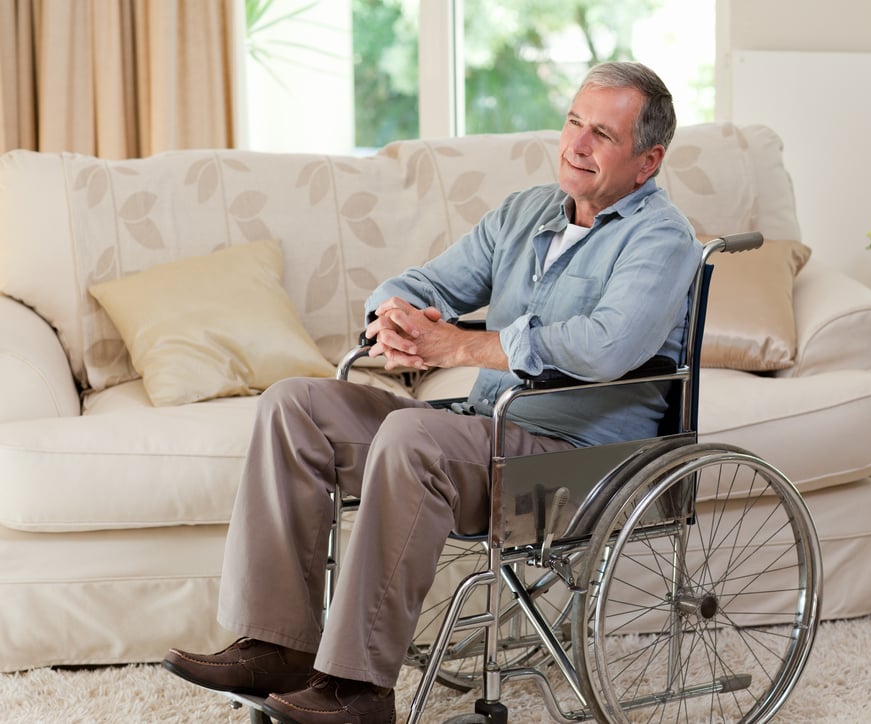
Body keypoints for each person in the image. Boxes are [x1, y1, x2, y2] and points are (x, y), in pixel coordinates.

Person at [162, 61, 701, 724]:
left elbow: (608, 346)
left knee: (414, 434)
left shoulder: (663, 238)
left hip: (580, 466)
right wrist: (394, 317)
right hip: (493, 433)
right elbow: (424, 283)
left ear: (648, 161)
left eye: (602, 135)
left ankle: (358, 692)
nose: (577, 145)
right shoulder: (526, 211)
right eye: (573, 122)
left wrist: (463, 346)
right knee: (293, 406)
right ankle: (277, 646)